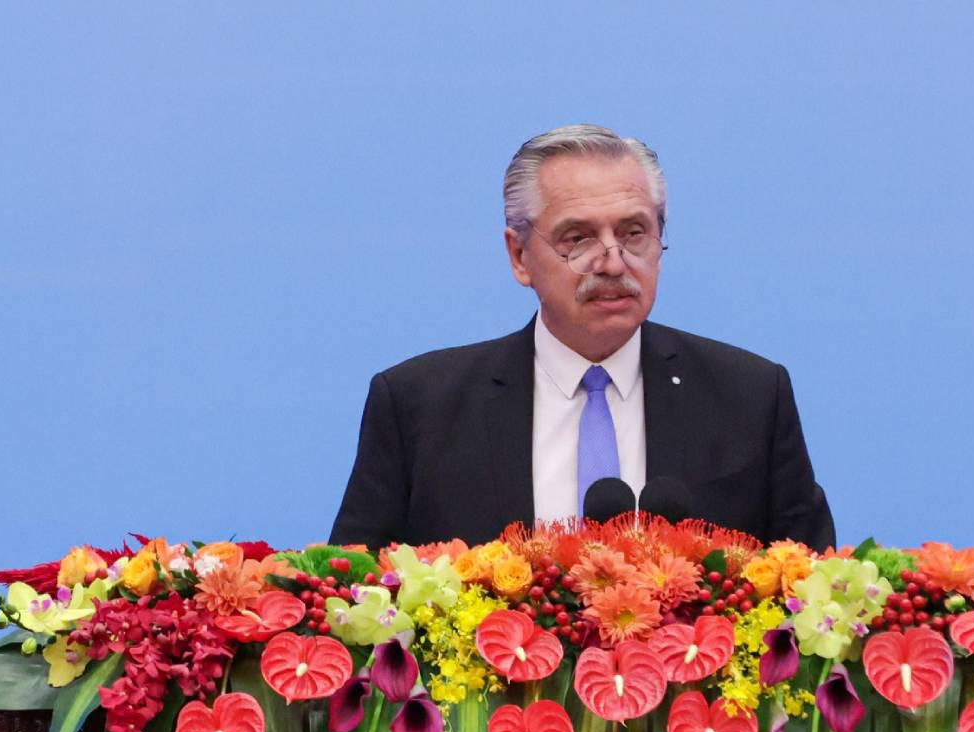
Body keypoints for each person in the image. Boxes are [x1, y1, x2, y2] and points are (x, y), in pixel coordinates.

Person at [329, 124, 834, 551]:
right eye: (578, 238)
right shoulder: (420, 405)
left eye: (634, 232)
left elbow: (814, 599)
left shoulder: (749, 395)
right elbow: (352, 609)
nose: (613, 262)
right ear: (519, 256)